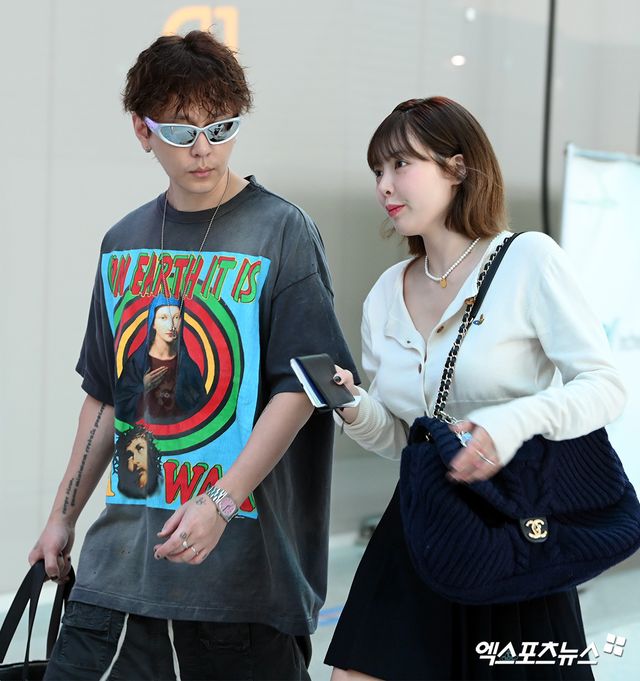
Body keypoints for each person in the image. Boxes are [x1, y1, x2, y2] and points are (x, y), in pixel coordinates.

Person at [29, 30, 357, 681]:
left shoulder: (281, 231)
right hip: (117, 575)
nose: (203, 149)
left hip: (243, 588)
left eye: (221, 127)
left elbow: (302, 387)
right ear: (142, 130)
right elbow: (107, 396)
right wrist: (62, 516)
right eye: (181, 132)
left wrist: (221, 501)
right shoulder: (123, 241)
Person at [325, 96, 626, 680]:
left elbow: (605, 386)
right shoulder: (386, 293)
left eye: (401, 164)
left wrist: (509, 424)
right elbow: (405, 438)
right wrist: (355, 407)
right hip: (419, 522)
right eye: (377, 170)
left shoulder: (528, 260)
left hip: (513, 521)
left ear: (457, 168)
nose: (385, 185)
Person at [115, 295, 207, 424]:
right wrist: (144, 386)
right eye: (164, 318)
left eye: (176, 317)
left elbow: (201, 410)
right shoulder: (136, 363)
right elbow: (119, 407)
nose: (171, 325)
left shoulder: (188, 367)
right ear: (153, 322)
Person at [113, 425, 162, 499]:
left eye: (140, 449)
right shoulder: (122, 493)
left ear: (152, 451)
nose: (135, 460)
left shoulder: (166, 486)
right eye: (129, 455)